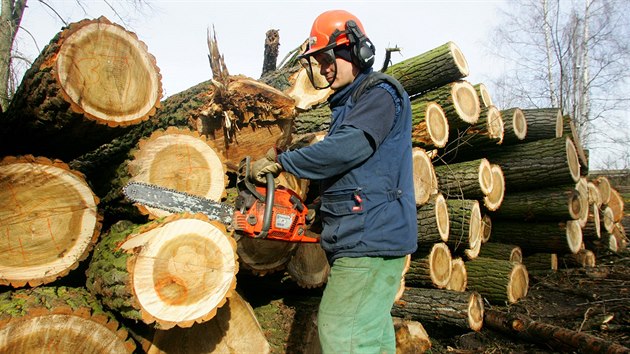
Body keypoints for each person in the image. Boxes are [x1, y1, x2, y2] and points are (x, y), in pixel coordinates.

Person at [251, 9, 418, 354]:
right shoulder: (350, 105)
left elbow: (347, 150)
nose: (324, 67)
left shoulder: (379, 94)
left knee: (342, 329)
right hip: (366, 237)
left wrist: (281, 162)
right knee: (370, 334)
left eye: (329, 57)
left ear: (357, 50)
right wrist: (320, 211)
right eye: (319, 61)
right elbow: (358, 176)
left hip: (371, 240)